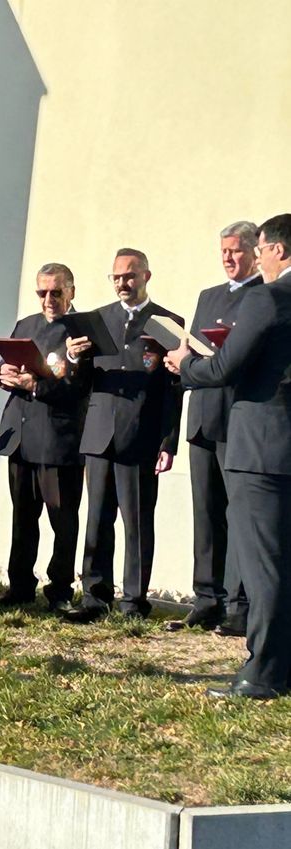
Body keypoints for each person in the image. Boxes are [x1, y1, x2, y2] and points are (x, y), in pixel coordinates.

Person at [165, 214, 291, 699]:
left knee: (264, 568)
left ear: (277, 250)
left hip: (260, 449)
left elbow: (224, 366)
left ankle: (262, 673)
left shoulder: (268, 296)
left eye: (260, 249)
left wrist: (184, 364)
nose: (257, 258)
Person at [63, 248, 183, 622]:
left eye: (129, 276)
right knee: (97, 519)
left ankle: (134, 601)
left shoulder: (166, 321)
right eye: (116, 277)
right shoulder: (97, 319)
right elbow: (81, 382)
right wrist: (72, 358)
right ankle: (94, 599)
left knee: (137, 521)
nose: (122, 284)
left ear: (146, 276)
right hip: (100, 434)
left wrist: (168, 441)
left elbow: (173, 388)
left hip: (141, 436)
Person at [166, 222, 261, 635]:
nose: (228, 258)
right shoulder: (208, 296)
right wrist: (181, 362)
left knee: (239, 515)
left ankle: (240, 607)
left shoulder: (264, 297)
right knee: (205, 513)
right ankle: (207, 599)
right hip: (203, 414)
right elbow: (196, 354)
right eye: (223, 250)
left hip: (238, 417)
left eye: (236, 250)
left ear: (256, 252)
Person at [0, 263, 89, 613]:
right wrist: (2, 374)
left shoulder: (82, 330)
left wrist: (37, 386)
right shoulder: (26, 324)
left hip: (59, 439)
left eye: (56, 292)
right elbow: (5, 367)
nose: (48, 299)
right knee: (22, 516)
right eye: (42, 292)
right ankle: (19, 585)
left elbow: (80, 388)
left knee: (62, 519)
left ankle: (60, 589)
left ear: (71, 291)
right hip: (21, 433)